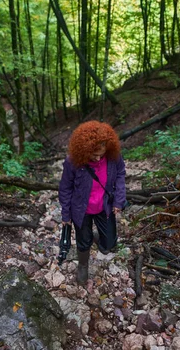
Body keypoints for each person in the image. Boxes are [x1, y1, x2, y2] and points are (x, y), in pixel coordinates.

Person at [58, 121, 126, 285]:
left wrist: (119, 200)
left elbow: (120, 175)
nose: (98, 158)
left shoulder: (113, 157)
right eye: (93, 155)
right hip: (81, 209)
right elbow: (65, 188)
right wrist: (66, 214)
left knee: (109, 244)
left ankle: (99, 238)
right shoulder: (72, 162)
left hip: (104, 206)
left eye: (100, 154)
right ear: (84, 150)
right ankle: (83, 265)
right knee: (83, 241)